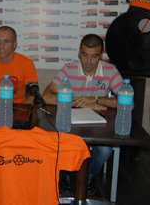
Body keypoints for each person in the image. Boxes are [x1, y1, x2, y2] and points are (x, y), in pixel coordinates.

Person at [43, 34, 124, 195]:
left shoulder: (110, 71)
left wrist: (95, 99)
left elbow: (128, 102)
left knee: (104, 150)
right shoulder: (69, 69)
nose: (88, 61)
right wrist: (75, 102)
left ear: (101, 55)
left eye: (94, 57)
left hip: (97, 125)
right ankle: (67, 174)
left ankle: (87, 176)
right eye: (85, 55)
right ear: (79, 53)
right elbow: (46, 96)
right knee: (59, 141)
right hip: (71, 122)